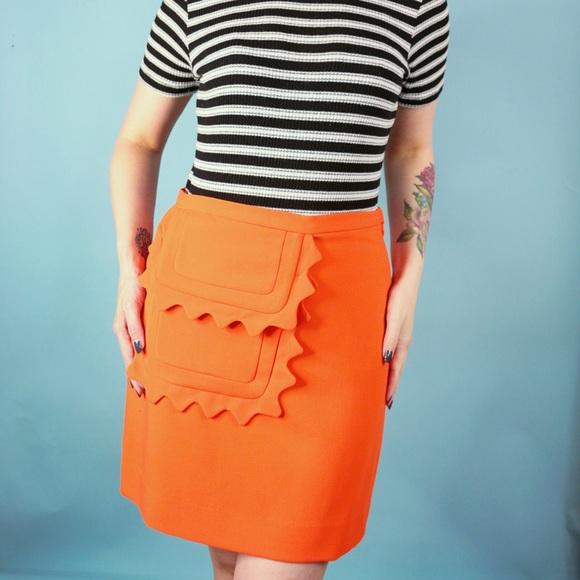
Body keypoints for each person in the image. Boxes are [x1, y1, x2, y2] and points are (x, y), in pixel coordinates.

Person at [110, 0, 449, 578]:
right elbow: (139, 139)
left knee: (288, 548)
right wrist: (130, 269)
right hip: (206, 300)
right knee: (225, 555)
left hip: (337, 305)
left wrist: (410, 280)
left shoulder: (419, 7)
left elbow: (411, 149)